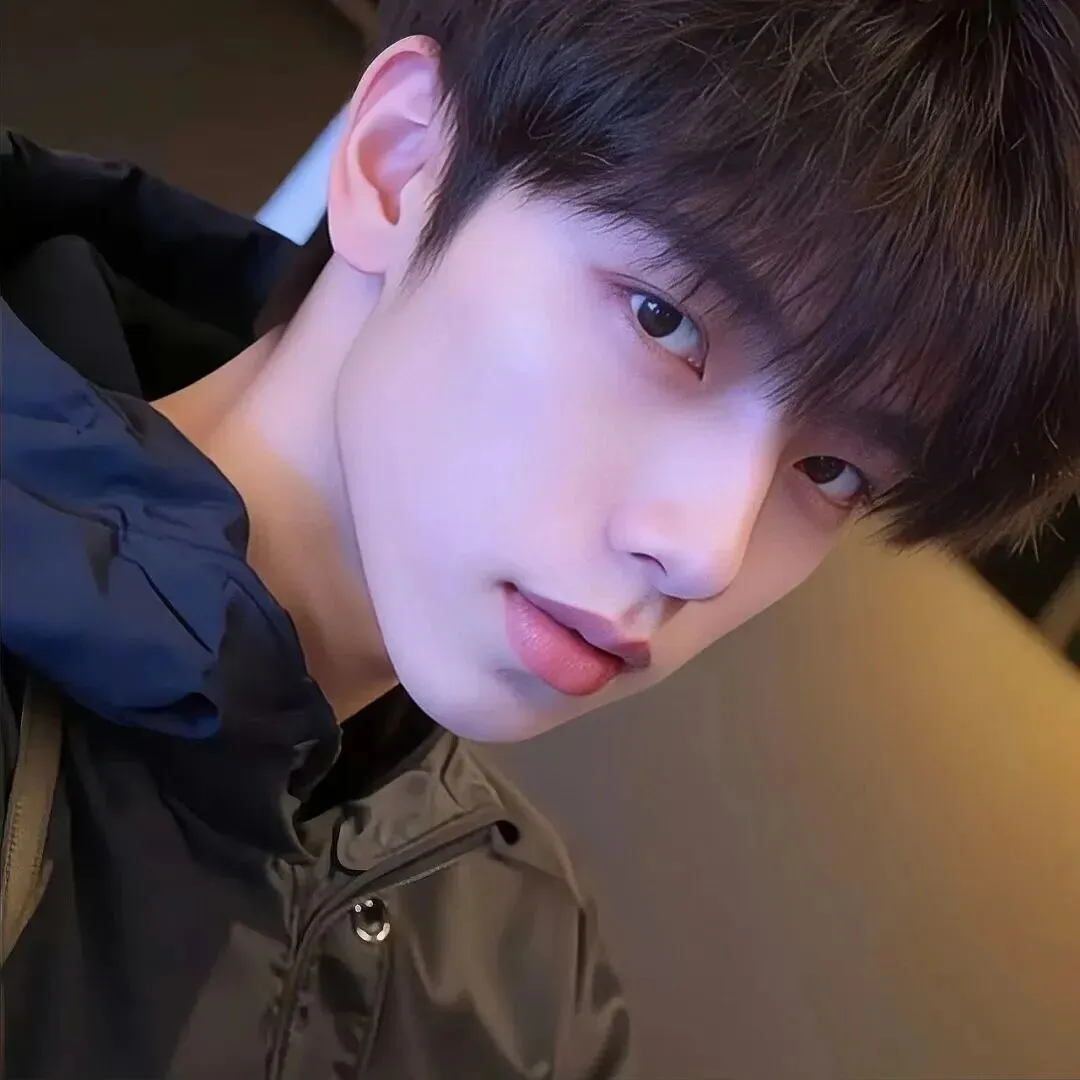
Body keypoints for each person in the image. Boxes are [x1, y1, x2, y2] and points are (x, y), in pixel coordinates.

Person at [2, 0, 1077, 1076]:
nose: (708, 552)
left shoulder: (528, 991)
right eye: (663, 320)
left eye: (834, 472)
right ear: (399, 163)